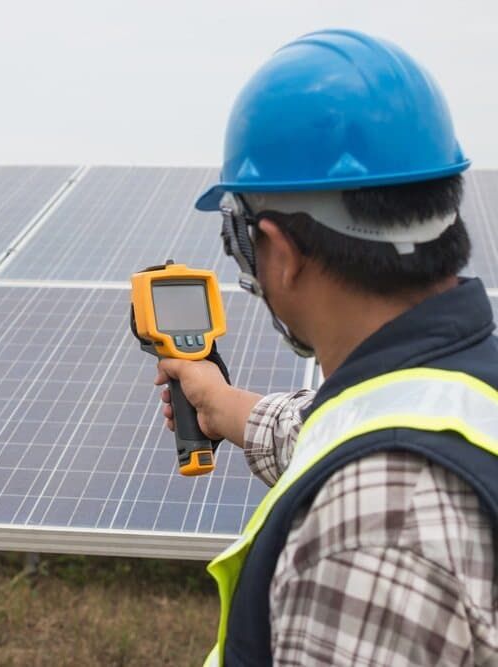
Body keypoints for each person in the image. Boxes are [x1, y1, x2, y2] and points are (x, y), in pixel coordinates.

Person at [155, 29, 498, 666]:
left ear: (279, 253)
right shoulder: (469, 390)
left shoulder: (371, 534)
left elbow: (379, 473)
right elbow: (354, 428)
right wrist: (221, 406)